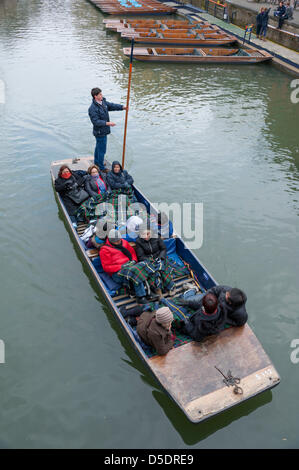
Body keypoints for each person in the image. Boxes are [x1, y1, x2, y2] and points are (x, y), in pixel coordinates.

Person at [99, 229, 152, 304]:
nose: (119, 242)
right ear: (111, 241)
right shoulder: (105, 250)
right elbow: (106, 267)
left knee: (144, 265)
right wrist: (122, 266)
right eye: (116, 241)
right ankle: (141, 296)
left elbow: (132, 253)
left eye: (119, 240)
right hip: (117, 273)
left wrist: (134, 260)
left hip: (131, 266)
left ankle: (148, 289)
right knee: (135, 272)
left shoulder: (124, 242)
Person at [88, 88, 127, 172]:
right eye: (100, 95)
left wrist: (122, 107)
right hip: (99, 132)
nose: (102, 95)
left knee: (98, 147)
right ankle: (101, 168)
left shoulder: (103, 102)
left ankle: (97, 162)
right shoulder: (92, 108)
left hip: (104, 131)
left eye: (101, 94)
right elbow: (95, 122)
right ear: (95, 96)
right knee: (102, 149)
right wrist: (108, 123)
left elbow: (112, 106)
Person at [135, 228, 176, 298]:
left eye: (147, 234)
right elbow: (141, 256)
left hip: (159, 257)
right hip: (148, 260)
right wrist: (150, 261)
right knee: (154, 272)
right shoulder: (139, 241)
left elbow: (163, 249)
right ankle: (158, 289)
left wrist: (160, 257)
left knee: (162, 269)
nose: (145, 237)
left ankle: (170, 287)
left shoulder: (156, 237)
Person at [179, 286, 248, 327]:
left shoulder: (241, 314)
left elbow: (240, 323)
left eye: (227, 295)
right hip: (210, 301)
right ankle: (193, 289)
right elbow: (213, 290)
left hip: (215, 310)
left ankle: (192, 292)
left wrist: (224, 319)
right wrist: (207, 300)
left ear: (229, 302)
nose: (226, 292)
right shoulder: (227, 289)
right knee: (186, 300)